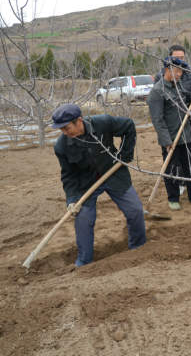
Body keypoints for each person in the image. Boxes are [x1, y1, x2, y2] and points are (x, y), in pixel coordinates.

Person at [52, 103, 146, 267]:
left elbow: (129, 126)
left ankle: (138, 247)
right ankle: (84, 261)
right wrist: (72, 199)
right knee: (83, 220)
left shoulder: (103, 123)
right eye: (61, 130)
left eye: (67, 128)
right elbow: (68, 176)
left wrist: (125, 155)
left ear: (79, 121)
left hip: (113, 173)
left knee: (135, 210)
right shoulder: (62, 146)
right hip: (86, 183)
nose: (65, 133)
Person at [147, 57, 191, 211]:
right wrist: (166, 141)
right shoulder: (157, 91)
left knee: (189, 167)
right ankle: (173, 198)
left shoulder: (178, 87)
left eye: (181, 72)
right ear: (167, 70)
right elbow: (157, 120)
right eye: (177, 71)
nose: (179, 75)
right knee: (171, 169)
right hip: (171, 139)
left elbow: (189, 99)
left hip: (185, 135)